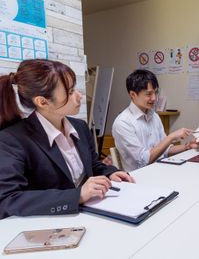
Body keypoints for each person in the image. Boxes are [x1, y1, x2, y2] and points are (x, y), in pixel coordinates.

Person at [0, 59, 134, 219]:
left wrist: (110, 173)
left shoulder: (80, 127)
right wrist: (77, 196)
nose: (80, 96)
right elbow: (8, 200)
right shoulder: (12, 140)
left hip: (94, 214)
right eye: (70, 92)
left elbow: (93, 165)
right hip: (50, 226)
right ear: (42, 101)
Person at [112, 69, 199, 171]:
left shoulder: (154, 116)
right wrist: (171, 137)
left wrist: (187, 146)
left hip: (160, 170)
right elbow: (144, 160)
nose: (154, 98)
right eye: (148, 94)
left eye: (155, 92)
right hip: (139, 178)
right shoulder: (123, 123)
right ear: (133, 94)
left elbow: (165, 150)